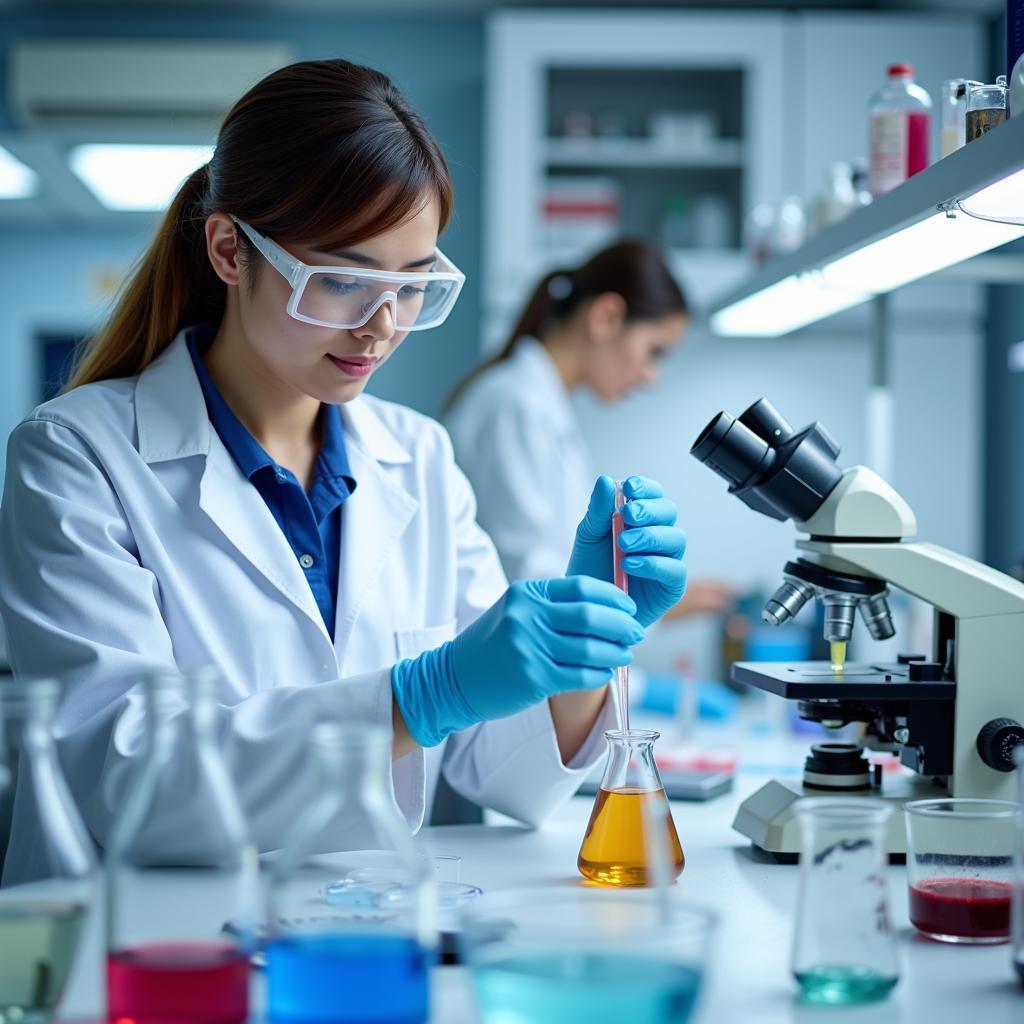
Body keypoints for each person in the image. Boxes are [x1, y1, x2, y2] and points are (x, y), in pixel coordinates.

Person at [0, 60, 687, 885]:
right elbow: (128, 779)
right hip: (149, 956)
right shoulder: (77, 454)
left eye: (411, 283)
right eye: (342, 281)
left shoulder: (420, 456)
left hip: (361, 939)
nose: (382, 326)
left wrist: (584, 646)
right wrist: (419, 696)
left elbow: (504, 773)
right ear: (229, 250)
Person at [445, 242, 733, 615]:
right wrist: (645, 600)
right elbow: (528, 578)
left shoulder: (541, 406)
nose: (651, 378)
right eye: (654, 351)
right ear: (606, 318)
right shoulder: (515, 406)